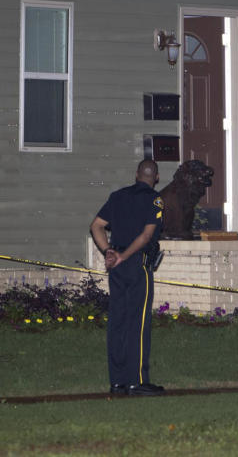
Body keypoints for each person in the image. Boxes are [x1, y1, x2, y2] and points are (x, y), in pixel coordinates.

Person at [90, 159, 165, 396]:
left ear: (136, 175)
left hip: (117, 266)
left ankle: (118, 381)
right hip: (135, 264)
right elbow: (145, 236)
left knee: (118, 322)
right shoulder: (155, 199)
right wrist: (123, 256)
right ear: (157, 177)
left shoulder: (118, 196)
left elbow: (96, 226)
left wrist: (108, 251)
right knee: (138, 322)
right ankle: (138, 381)